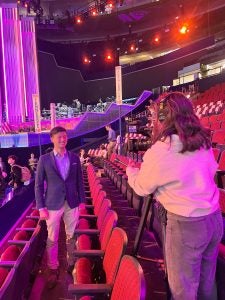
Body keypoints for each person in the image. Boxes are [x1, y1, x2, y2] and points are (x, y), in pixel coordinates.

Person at [126, 92, 223, 300]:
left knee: (183, 292)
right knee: (207, 284)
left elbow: (142, 188)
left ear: (163, 119)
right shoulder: (203, 141)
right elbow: (211, 172)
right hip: (214, 219)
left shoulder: (163, 150)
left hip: (186, 227)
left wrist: (131, 173)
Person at [35, 126, 85, 289]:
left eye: (64, 137)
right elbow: (38, 186)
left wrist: (82, 201)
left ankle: (71, 265)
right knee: (52, 238)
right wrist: (41, 207)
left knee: (72, 236)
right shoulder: (44, 159)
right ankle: (53, 267)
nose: (62, 140)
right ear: (52, 139)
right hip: (52, 204)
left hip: (72, 203)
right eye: (59, 137)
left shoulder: (75, 158)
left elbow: (79, 182)